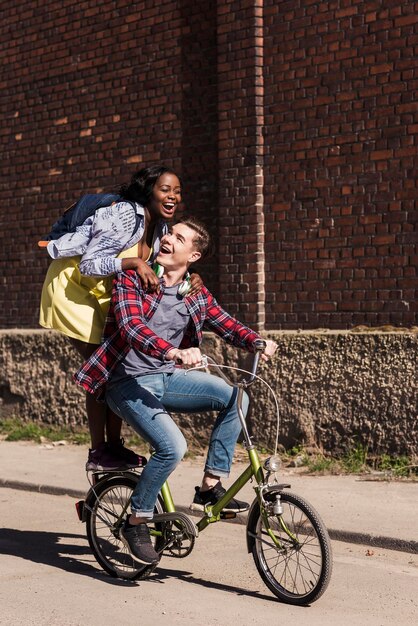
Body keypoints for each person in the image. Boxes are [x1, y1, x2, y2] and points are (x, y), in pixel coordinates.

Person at [74, 215, 278, 564]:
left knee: (237, 397)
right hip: (126, 381)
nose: (168, 239)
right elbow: (131, 326)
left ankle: (210, 486)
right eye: (169, 233)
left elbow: (224, 322)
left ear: (193, 256)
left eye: (180, 238)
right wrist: (171, 351)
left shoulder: (194, 291)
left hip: (168, 378)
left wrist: (256, 341)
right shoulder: (132, 278)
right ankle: (137, 519)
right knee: (173, 446)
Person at [39, 165, 202, 471]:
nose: (173, 197)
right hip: (73, 290)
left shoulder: (162, 230)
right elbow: (88, 265)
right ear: (148, 192)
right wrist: (133, 262)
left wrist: (193, 279)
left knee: (118, 367)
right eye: (165, 190)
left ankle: (114, 447)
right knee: (105, 369)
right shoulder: (125, 215)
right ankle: (100, 450)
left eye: (177, 192)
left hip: (103, 294)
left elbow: (165, 269)